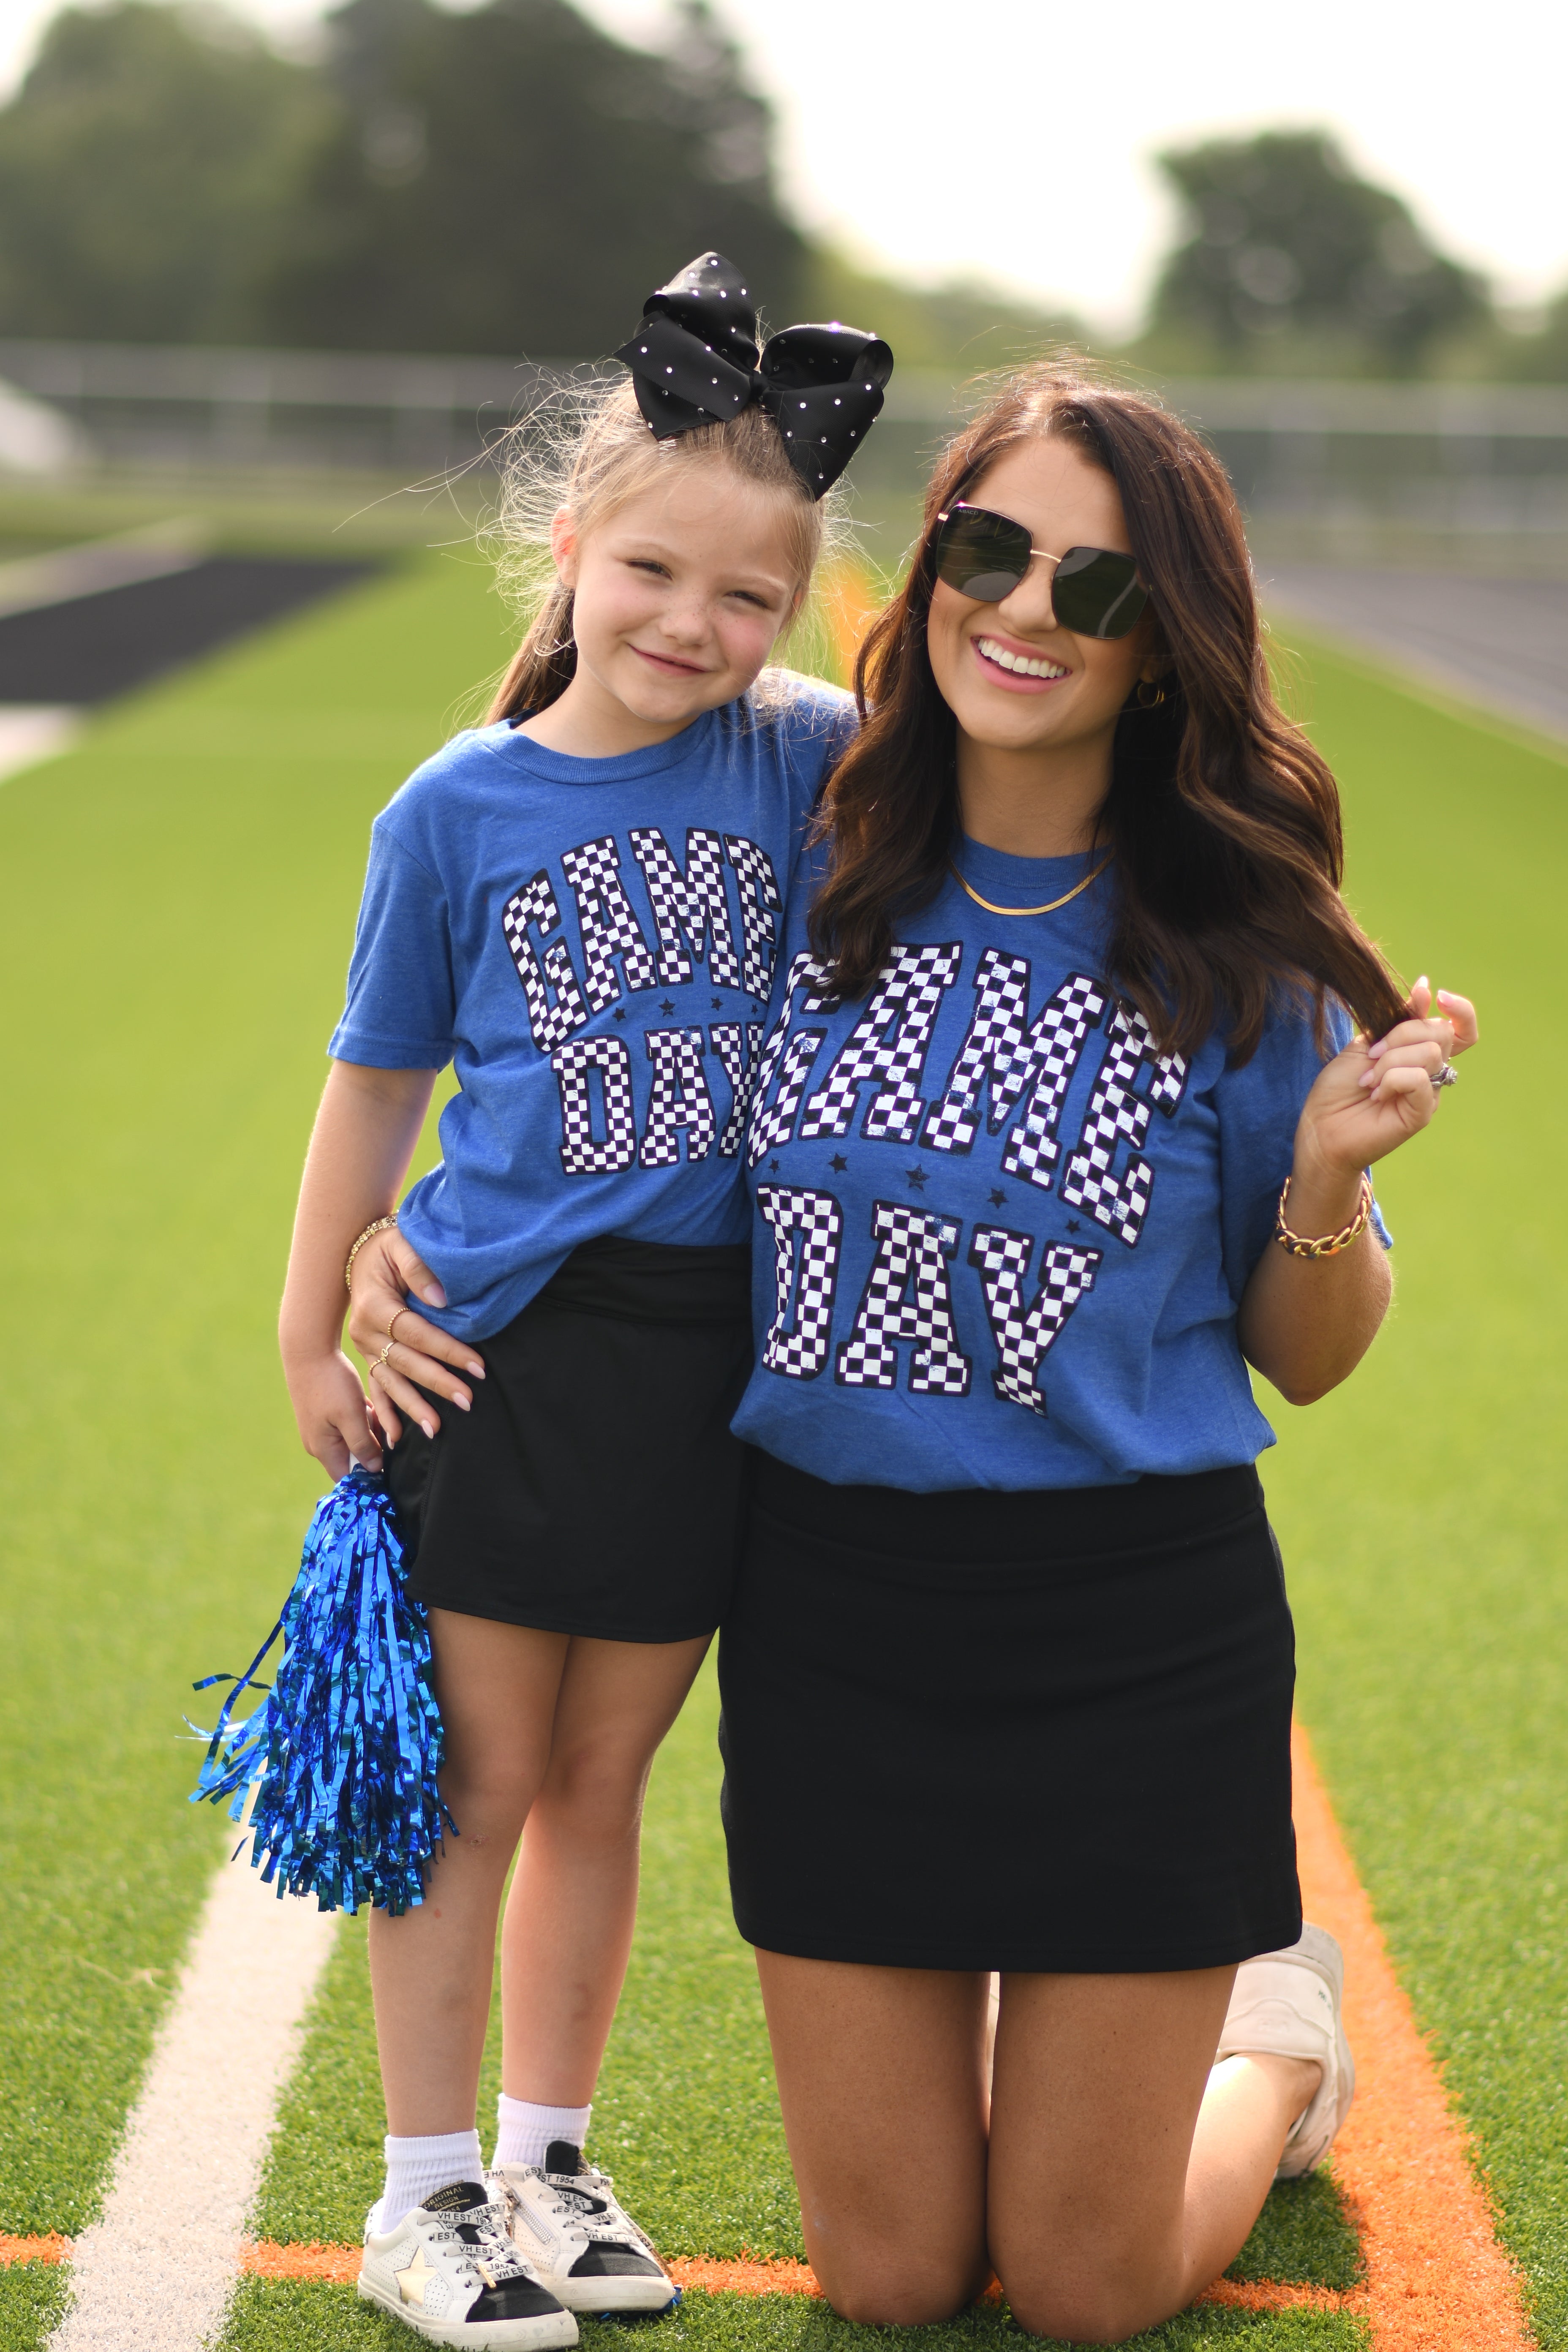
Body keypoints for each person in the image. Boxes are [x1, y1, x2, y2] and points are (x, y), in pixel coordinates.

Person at [716, 364, 1478, 2344]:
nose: (1027, 610)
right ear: (931, 568)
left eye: (1101, 586)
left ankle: (1275, 2057)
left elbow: (1308, 1360)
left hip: (1131, 1638)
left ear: (1163, 650)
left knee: (1081, 2287)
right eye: (990, 550)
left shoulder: (1246, 952)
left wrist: (1323, 1176)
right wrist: (392, 1228)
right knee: (890, 2278)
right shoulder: (799, 857)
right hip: (830, 1618)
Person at [278, 253, 891, 2347]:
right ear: (566, 546)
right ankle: (421, 2199)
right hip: (496, 1356)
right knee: (475, 1789)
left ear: (795, 611)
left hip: (708, 1357)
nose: (691, 625)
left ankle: (548, 2159)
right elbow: (374, 1084)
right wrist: (312, 1321)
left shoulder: (801, 758)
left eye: (746, 597)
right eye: (651, 572)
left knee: (605, 1785)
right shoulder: (454, 807)